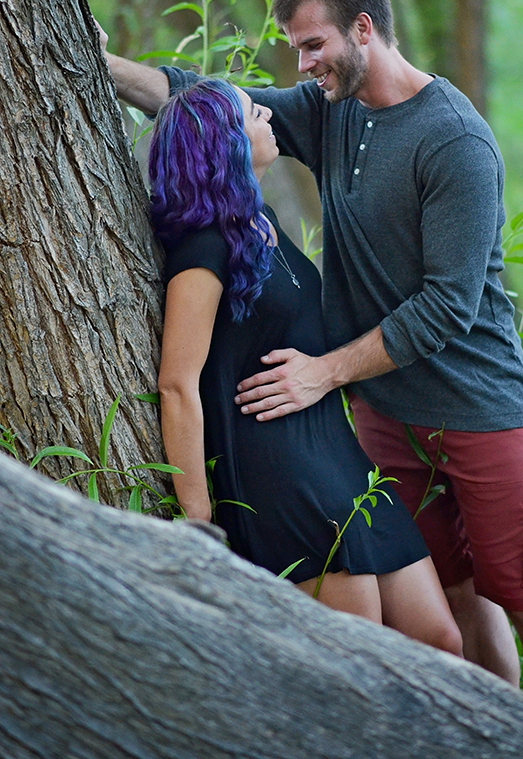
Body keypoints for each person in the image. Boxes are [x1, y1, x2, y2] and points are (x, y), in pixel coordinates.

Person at [98, 0, 523, 727]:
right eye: (296, 49)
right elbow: (213, 102)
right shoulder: (332, 110)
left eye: (312, 45)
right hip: (386, 417)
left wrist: (326, 373)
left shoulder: (454, 141)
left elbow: (447, 308)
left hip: (478, 410)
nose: (301, 66)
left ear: (364, 28)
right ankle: (497, 741)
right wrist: (99, 64)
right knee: (455, 604)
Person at [148, 75, 462, 653]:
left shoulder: (259, 221)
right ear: (225, 144)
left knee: (440, 641)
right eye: (250, 113)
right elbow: (177, 384)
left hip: (341, 461)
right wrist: (198, 520)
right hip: (281, 473)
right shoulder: (203, 249)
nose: (267, 115)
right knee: (360, 660)